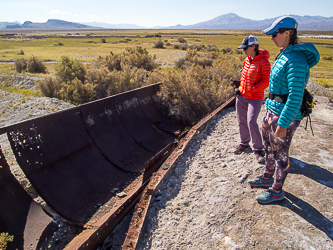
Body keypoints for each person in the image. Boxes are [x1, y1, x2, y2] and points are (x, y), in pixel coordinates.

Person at [248, 16, 320, 203]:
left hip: (283, 115)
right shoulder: (285, 53)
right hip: (272, 110)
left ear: (288, 33)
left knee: (281, 154)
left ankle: (277, 190)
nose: (272, 38)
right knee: (269, 149)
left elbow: (295, 96)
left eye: (275, 34)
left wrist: (283, 122)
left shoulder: (296, 59)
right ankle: (266, 177)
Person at [234, 35, 271, 164]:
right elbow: (243, 78)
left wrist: (252, 89)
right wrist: (239, 88)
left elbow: (266, 81)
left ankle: (258, 149)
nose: (244, 50)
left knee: (251, 121)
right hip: (242, 96)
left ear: (253, 46)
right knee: (241, 120)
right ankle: (244, 143)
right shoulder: (247, 60)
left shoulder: (264, 61)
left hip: (255, 97)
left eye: (246, 48)